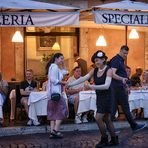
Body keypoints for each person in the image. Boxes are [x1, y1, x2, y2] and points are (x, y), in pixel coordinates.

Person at [67, 50, 119, 147]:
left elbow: (107, 86)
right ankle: (114, 138)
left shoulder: (109, 70)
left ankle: (104, 138)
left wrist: (92, 87)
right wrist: (69, 84)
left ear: (104, 60)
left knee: (98, 118)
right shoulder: (94, 70)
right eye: (95, 60)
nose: (97, 62)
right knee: (107, 119)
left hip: (108, 97)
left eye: (99, 60)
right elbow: (83, 78)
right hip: (100, 97)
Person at [110, 45, 146, 131]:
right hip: (117, 88)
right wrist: (122, 79)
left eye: (127, 54)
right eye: (124, 53)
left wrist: (126, 85)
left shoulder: (121, 60)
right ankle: (134, 126)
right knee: (124, 107)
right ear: (120, 51)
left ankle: (109, 128)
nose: (126, 55)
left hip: (119, 87)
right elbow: (112, 73)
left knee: (114, 108)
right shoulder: (116, 60)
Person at [47, 53, 68, 139]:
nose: (62, 60)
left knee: (53, 113)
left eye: (63, 58)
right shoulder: (55, 67)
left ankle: (52, 132)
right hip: (56, 93)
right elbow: (53, 79)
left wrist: (63, 63)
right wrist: (63, 82)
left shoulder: (55, 67)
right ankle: (55, 130)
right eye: (61, 58)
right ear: (56, 58)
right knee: (63, 110)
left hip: (52, 94)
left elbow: (66, 72)